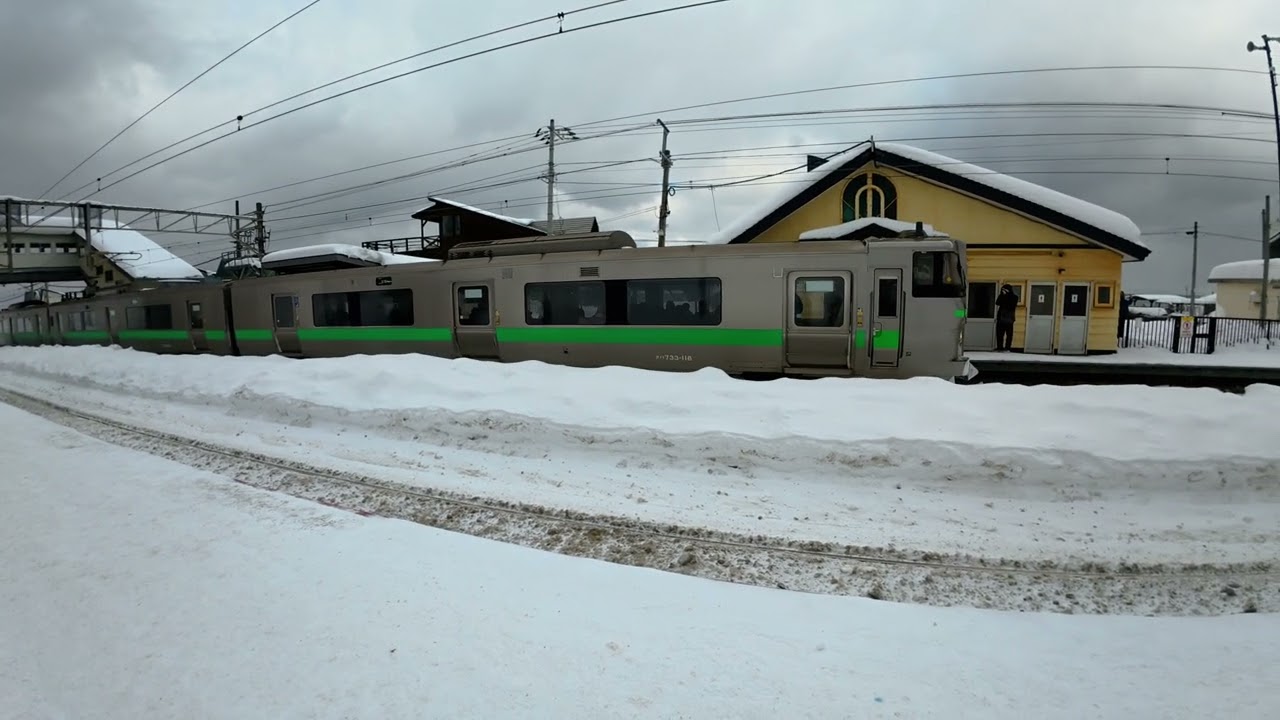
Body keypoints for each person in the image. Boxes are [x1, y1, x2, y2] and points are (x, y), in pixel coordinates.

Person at [995, 284, 1017, 351]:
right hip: (1001, 318)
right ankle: (1000, 347)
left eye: (1004, 290)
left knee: (1009, 335)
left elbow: (1011, 305)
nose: (1003, 291)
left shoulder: (1014, 297)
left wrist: (1005, 295)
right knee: (999, 334)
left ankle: (1007, 348)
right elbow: (997, 302)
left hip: (1009, 318)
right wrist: (1002, 295)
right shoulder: (1002, 296)